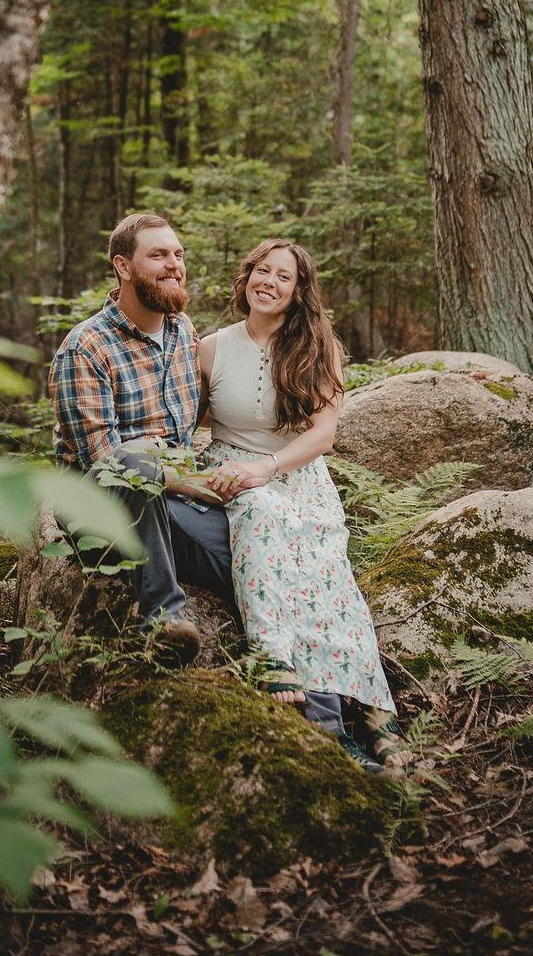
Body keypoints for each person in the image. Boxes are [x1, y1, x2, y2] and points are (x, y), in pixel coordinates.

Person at [47, 216, 394, 771]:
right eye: (159, 255)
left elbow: (206, 422)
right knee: (135, 459)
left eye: (178, 254)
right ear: (122, 267)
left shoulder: (182, 334)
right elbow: (106, 466)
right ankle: (163, 619)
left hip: (179, 503)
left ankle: (333, 733)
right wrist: (210, 484)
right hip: (107, 509)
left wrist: (236, 477)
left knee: (280, 553)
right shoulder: (86, 347)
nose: (174, 265)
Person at [196, 238, 408, 774]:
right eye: (261, 271)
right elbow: (186, 423)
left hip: (298, 474)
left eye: (283, 276)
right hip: (233, 469)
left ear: (298, 291)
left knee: (329, 577)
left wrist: (268, 467)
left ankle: (376, 711)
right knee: (261, 514)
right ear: (245, 279)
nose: (269, 282)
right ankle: (274, 657)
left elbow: (324, 434)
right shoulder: (211, 347)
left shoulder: (319, 347)